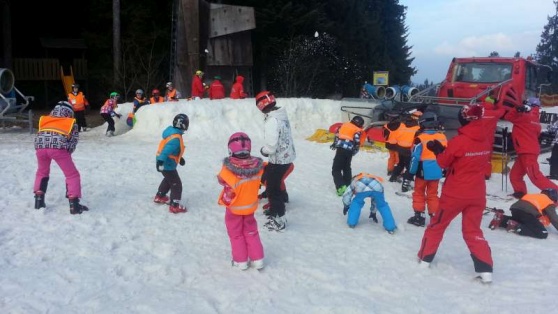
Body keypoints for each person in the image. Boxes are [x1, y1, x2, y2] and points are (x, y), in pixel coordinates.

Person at [417, 104, 494, 284]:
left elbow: (443, 162)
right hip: (477, 193)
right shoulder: (485, 140)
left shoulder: (459, 141)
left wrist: (438, 151)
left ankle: (424, 259)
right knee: (473, 230)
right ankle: (486, 270)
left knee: (437, 225)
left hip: (455, 193)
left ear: (464, 119)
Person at [217, 132, 266, 270]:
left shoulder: (228, 168)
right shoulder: (258, 166)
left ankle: (241, 261)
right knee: (251, 232)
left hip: (234, 209)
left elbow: (221, 180)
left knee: (236, 234)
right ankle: (258, 259)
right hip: (250, 207)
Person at [33, 101, 88, 214]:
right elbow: (72, 142)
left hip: (40, 148)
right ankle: (74, 205)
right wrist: (67, 153)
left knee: (42, 172)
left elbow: (39, 135)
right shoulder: (71, 122)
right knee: (72, 175)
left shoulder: (45, 119)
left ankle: (39, 201)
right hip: (58, 149)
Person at [256, 90, 296, 232]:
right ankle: (275, 210)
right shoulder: (281, 115)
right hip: (286, 157)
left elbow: (271, 146)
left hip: (278, 159)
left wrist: (264, 150)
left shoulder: (272, 120)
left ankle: (279, 219)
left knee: (273, 189)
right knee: (274, 185)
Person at [504, 96, 558, 198]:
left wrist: (516, 109)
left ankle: (555, 193)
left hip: (527, 152)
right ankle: (520, 192)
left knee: (535, 176)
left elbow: (508, 117)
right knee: (515, 175)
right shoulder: (535, 119)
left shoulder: (525, 116)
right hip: (525, 151)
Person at [407, 111, 447, 227]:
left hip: (422, 171)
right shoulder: (442, 137)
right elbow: (446, 154)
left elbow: (415, 158)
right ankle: (434, 215)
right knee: (433, 194)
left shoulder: (420, 139)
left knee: (419, 192)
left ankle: (419, 216)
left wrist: (410, 172)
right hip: (437, 169)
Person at [154, 114, 189, 214]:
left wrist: (179, 158)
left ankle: (160, 196)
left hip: (167, 163)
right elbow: (166, 151)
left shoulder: (172, 133)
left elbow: (172, 150)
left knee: (169, 179)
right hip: (166, 164)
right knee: (176, 184)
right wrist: (160, 162)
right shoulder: (176, 139)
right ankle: (174, 205)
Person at [488, 188, 558, 239]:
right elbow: (554, 218)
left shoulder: (535, 196)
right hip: (527, 212)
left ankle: (502, 219)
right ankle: (517, 227)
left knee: (522, 221)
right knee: (543, 233)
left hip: (515, 209)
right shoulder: (549, 202)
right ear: (553, 198)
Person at [330, 115, 366, 196]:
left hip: (341, 150)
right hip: (349, 151)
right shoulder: (357, 130)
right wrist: (354, 151)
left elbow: (337, 135)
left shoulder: (344, 125)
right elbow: (357, 142)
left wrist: (335, 144)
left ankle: (340, 187)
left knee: (336, 169)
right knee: (346, 167)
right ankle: (348, 184)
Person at [388, 110, 421, 192]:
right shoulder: (417, 128)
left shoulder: (402, 124)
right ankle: (406, 183)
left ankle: (393, 177)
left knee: (400, 164)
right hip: (409, 149)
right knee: (409, 167)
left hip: (399, 147)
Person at [382, 111, 402, 176]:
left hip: (390, 145)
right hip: (398, 145)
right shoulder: (402, 126)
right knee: (398, 158)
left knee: (391, 157)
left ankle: (390, 170)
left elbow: (384, 135)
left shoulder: (386, 126)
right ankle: (398, 171)